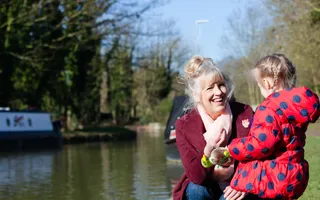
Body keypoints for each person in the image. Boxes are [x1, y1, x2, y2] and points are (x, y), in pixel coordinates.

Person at [212, 54, 320, 200]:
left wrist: (231, 148)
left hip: (274, 176)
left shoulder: (269, 108)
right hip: (295, 174)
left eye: (259, 85)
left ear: (267, 83)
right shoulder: (296, 107)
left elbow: (260, 144)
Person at [173, 56, 254, 200]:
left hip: (239, 184)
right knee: (196, 190)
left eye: (221, 85)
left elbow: (260, 154)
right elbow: (195, 175)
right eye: (210, 88)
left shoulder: (244, 113)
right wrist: (208, 150)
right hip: (205, 184)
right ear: (196, 95)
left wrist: (244, 182)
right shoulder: (183, 126)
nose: (219, 92)